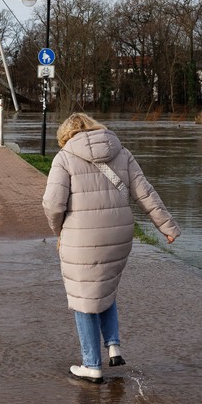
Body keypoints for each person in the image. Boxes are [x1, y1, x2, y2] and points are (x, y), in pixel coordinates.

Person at [42, 113, 181, 384]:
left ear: (65, 136)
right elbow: (145, 193)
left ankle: (91, 364)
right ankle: (114, 346)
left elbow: (53, 204)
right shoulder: (122, 152)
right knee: (103, 285)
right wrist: (168, 227)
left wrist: (58, 229)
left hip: (83, 237)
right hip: (119, 236)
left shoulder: (65, 157)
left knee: (84, 298)